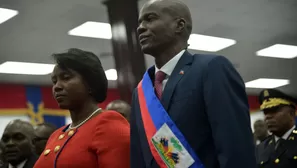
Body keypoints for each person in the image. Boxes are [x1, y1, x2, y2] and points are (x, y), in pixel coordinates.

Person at [131, 0, 257, 168]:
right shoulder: (141, 91)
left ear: (179, 25)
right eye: (140, 22)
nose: (140, 27)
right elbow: (139, 155)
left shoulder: (211, 69)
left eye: (150, 18)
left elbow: (235, 147)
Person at [33, 48, 130, 168]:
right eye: (54, 81)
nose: (57, 87)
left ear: (90, 83)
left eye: (66, 78)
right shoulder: (56, 135)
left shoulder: (109, 124)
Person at [256, 89, 297, 168]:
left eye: (274, 111)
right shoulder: (261, 148)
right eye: (265, 112)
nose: (268, 116)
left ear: (292, 114)